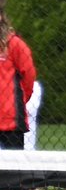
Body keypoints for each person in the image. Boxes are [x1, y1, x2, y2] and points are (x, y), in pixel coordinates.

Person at [0, 9, 36, 150]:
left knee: (15, 166)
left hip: (11, 121)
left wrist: (20, 100)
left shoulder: (15, 44)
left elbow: (29, 75)